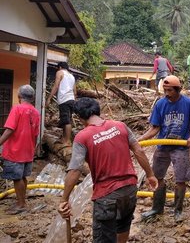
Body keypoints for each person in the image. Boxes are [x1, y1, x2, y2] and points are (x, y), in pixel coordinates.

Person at [57, 97, 158, 243]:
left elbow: (75, 170)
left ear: (79, 118)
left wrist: (64, 199)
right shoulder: (120, 126)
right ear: (98, 111)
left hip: (107, 195)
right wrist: (150, 175)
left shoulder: (82, 137)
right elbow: (139, 151)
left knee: (104, 238)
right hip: (129, 190)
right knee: (123, 226)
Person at [138, 75, 190, 222]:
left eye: (170, 90)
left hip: (181, 147)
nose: (167, 93)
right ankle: (157, 208)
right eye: (165, 90)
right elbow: (155, 128)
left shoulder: (188, 103)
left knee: (181, 179)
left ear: (178, 90)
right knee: (156, 177)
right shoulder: (160, 104)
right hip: (163, 146)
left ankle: (178, 211)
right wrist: (140, 140)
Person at [0, 85, 40, 215]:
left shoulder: (17, 108)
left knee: (17, 178)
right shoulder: (35, 112)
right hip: (28, 149)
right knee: (23, 177)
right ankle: (22, 201)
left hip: (15, 150)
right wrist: (33, 149)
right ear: (32, 98)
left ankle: (21, 204)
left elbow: (10, 129)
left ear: (19, 97)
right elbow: (35, 134)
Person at [46, 61, 76, 145]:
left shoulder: (59, 72)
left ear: (59, 67)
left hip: (64, 99)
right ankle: (65, 138)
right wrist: (74, 100)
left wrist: (49, 98)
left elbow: (56, 85)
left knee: (66, 121)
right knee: (66, 119)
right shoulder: (71, 76)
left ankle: (67, 141)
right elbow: (75, 90)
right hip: (71, 99)